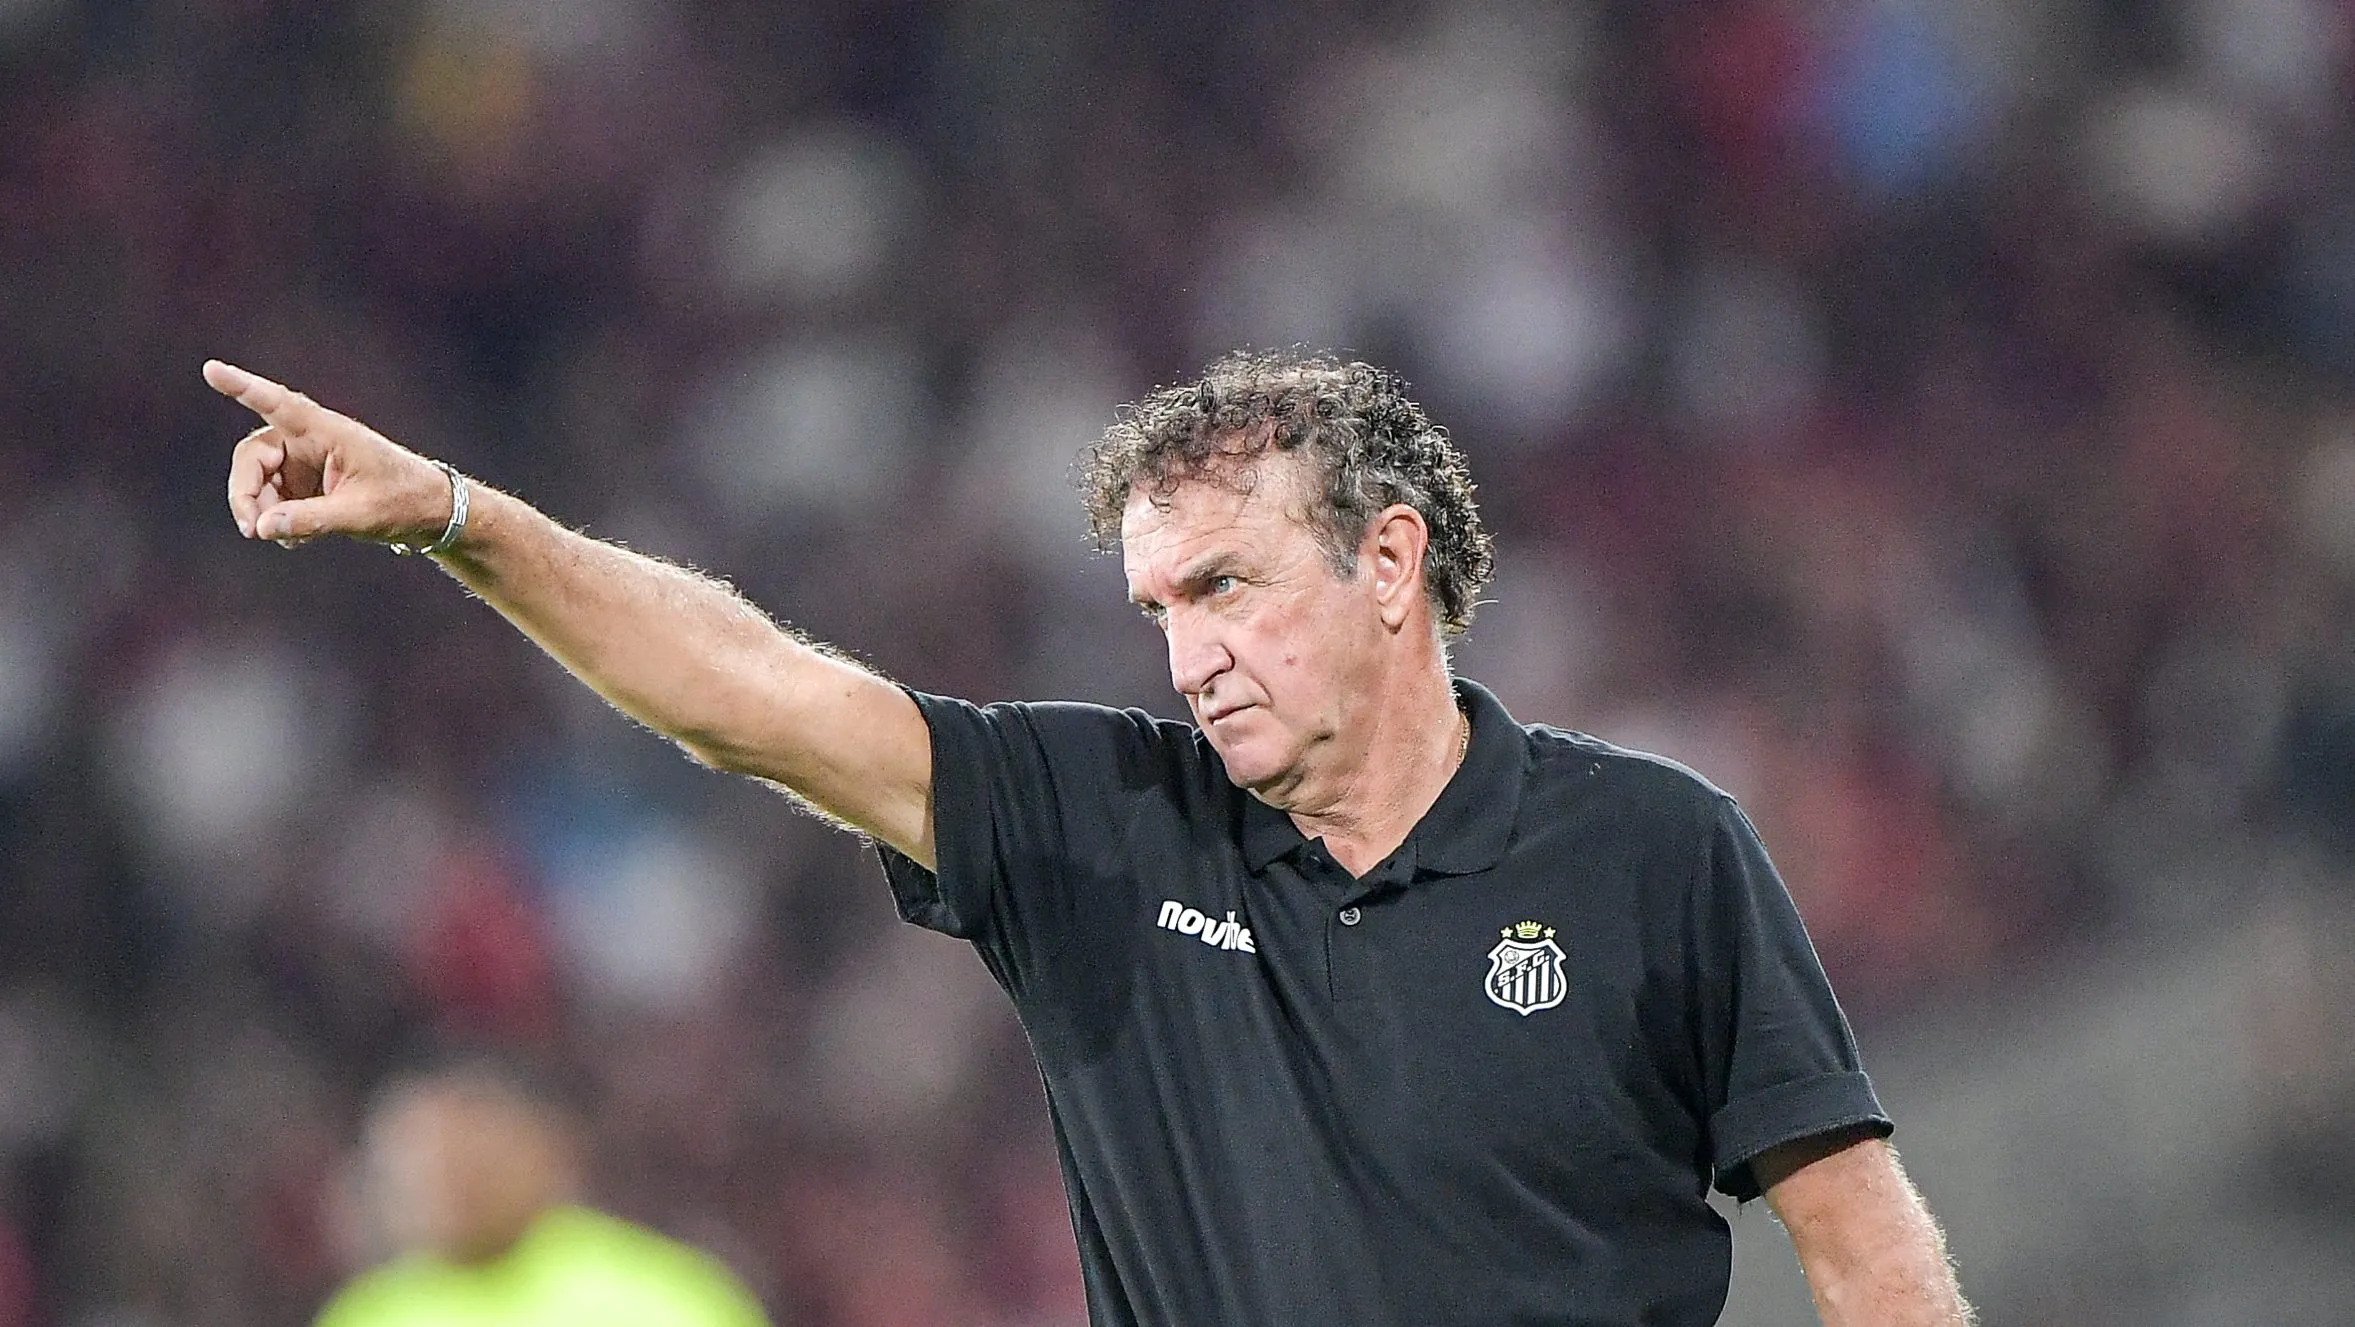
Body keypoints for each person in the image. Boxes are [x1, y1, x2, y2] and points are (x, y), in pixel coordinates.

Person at [211, 349, 1974, 1326]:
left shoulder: (1655, 849)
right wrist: (457, 517)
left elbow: (1861, 1237)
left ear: (1389, 562)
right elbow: (746, 691)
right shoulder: (1103, 829)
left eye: (1225, 586)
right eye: (1154, 606)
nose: (1189, 652)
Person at [314, 1063, 769, 1327]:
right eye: (419, 1165)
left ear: (539, 1154)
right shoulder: (368, 1315)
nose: (448, 1183)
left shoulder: (654, 1296)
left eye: (471, 1158)